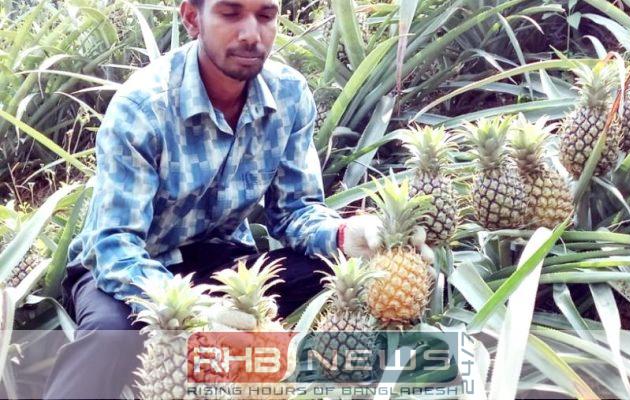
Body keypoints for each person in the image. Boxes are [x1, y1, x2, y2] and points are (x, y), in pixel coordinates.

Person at [42, 0, 432, 398]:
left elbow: (294, 210)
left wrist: (346, 234)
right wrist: (195, 312)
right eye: (230, 14)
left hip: (220, 260)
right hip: (125, 269)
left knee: (341, 274)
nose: (251, 34)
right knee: (110, 338)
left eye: (265, 15)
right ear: (192, 18)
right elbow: (115, 246)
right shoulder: (143, 107)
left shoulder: (289, 95)